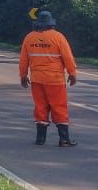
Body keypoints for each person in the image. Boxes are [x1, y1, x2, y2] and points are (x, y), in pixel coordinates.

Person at [19, 10, 78, 147]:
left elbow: (23, 59)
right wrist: (72, 73)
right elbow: (68, 57)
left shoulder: (29, 37)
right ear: (51, 23)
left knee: (40, 108)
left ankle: (40, 139)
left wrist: (23, 76)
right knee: (59, 107)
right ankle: (64, 139)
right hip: (55, 80)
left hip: (36, 80)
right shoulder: (58, 37)